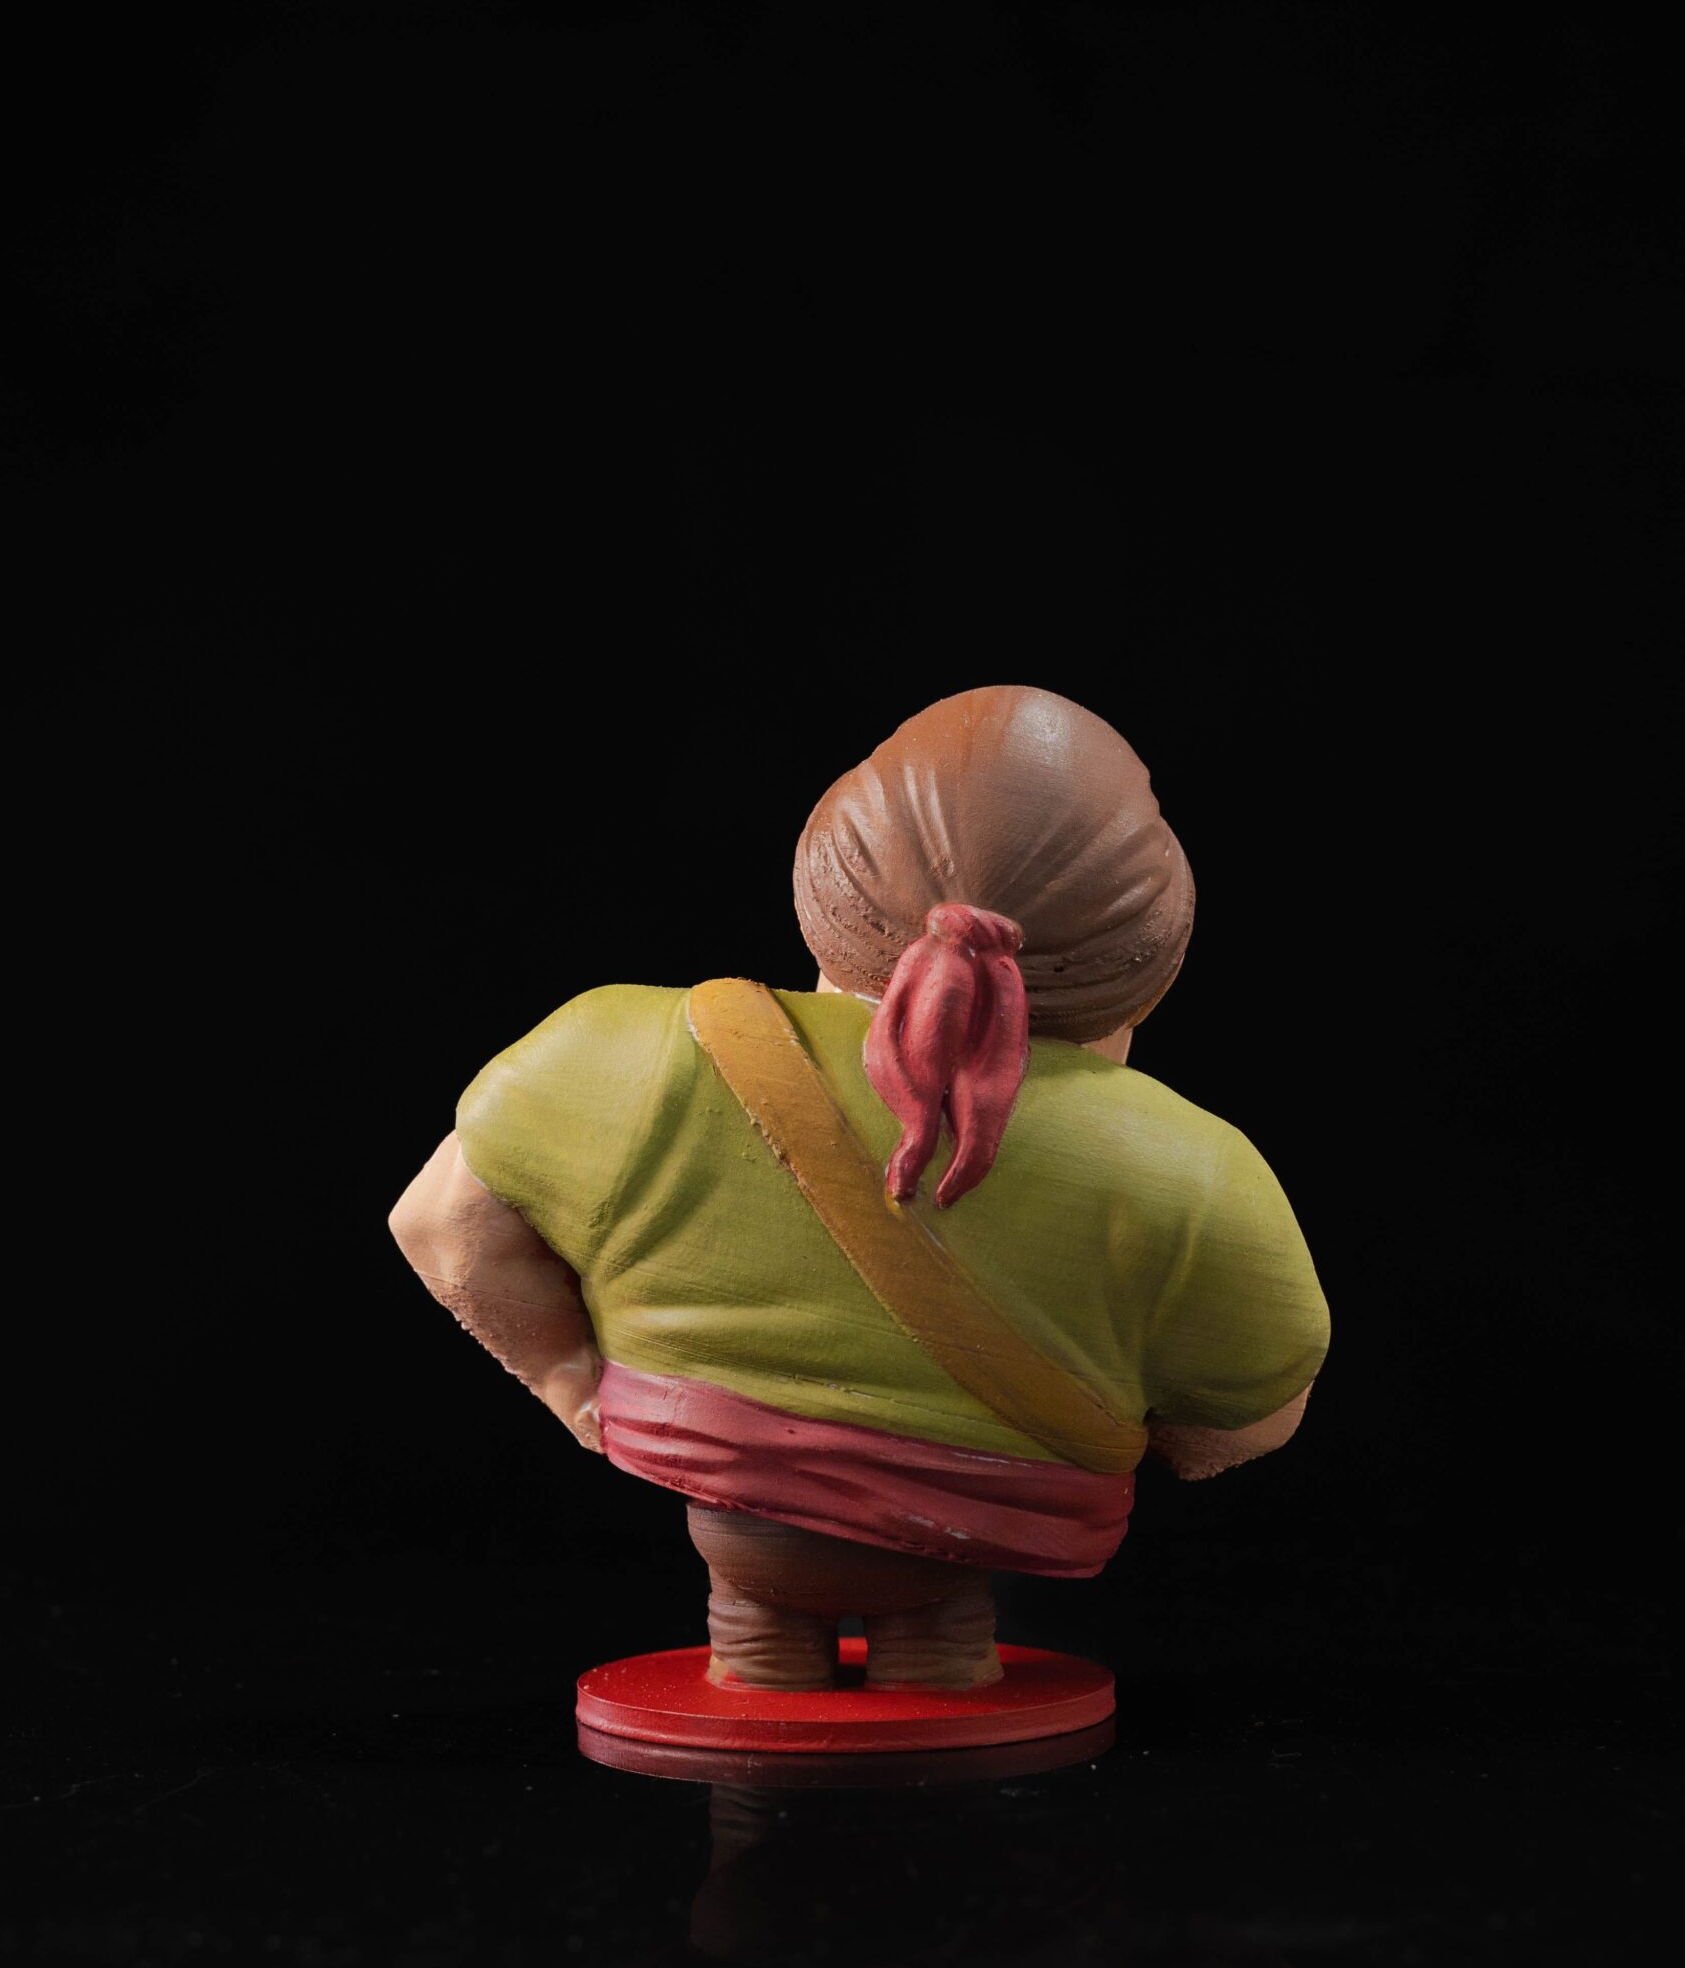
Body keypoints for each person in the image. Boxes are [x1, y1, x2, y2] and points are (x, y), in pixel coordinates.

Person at [389, 685, 1328, 1692]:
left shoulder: (624, 1051)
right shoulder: (1196, 1169)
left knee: (750, 1661)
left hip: (719, 1496)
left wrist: (577, 1388)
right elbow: (1249, 1419)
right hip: (989, 1526)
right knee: (946, 1676)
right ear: (1153, 964)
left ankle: (757, 1660)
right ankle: (939, 1675)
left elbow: (440, 1225)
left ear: (819, 887)